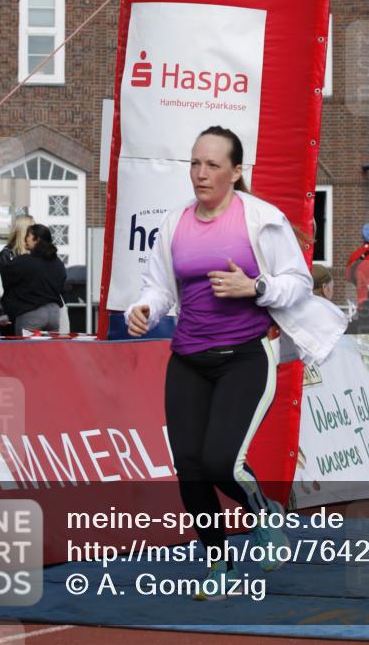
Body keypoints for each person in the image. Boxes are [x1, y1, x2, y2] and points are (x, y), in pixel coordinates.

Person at [126, 126, 346, 599]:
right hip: (188, 358)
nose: (201, 174)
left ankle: (263, 513)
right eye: (195, 163)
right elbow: (159, 287)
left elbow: (298, 282)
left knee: (221, 462)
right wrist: (144, 309)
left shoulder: (261, 219)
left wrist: (255, 287)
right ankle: (218, 563)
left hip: (245, 356)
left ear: (235, 171)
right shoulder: (175, 222)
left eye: (212, 165)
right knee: (190, 468)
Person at [0, 224, 66, 335]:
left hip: (30, 314)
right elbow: (62, 288)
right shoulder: (59, 264)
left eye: (28, 236)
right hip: (54, 315)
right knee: (49, 347)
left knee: (27, 346)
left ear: (37, 239)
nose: (25, 239)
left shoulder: (23, 262)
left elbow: (2, 281)